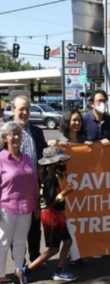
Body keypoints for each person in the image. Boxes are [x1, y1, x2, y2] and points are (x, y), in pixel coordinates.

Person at [16, 146, 78, 284]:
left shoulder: (48, 177)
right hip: (51, 216)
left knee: (67, 241)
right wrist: (65, 192)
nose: (63, 163)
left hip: (55, 215)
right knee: (53, 248)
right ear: (53, 163)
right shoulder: (50, 179)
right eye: (60, 161)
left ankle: (59, 270)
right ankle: (26, 270)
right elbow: (50, 202)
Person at [48, 108, 90, 266]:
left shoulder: (84, 139)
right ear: (67, 121)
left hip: (84, 187)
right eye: (74, 120)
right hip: (66, 189)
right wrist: (52, 144)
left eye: (79, 120)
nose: (77, 123)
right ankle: (73, 257)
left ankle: (79, 254)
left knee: (81, 223)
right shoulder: (60, 140)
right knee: (69, 223)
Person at [0, 122, 39, 284]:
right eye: (12, 134)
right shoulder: (1, 158)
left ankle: (19, 270)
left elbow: (34, 182)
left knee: (21, 241)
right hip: (6, 207)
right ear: (4, 138)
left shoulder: (27, 158)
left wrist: (37, 203)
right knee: (3, 241)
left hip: (26, 207)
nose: (16, 137)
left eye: (18, 134)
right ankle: (0, 276)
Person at [12, 95, 47, 265]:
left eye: (27, 109)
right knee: (16, 230)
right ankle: (20, 264)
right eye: (21, 109)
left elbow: (44, 155)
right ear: (13, 110)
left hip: (35, 186)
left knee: (35, 225)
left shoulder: (37, 131)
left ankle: (35, 258)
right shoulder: (6, 133)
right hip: (14, 189)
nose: (25, 112)